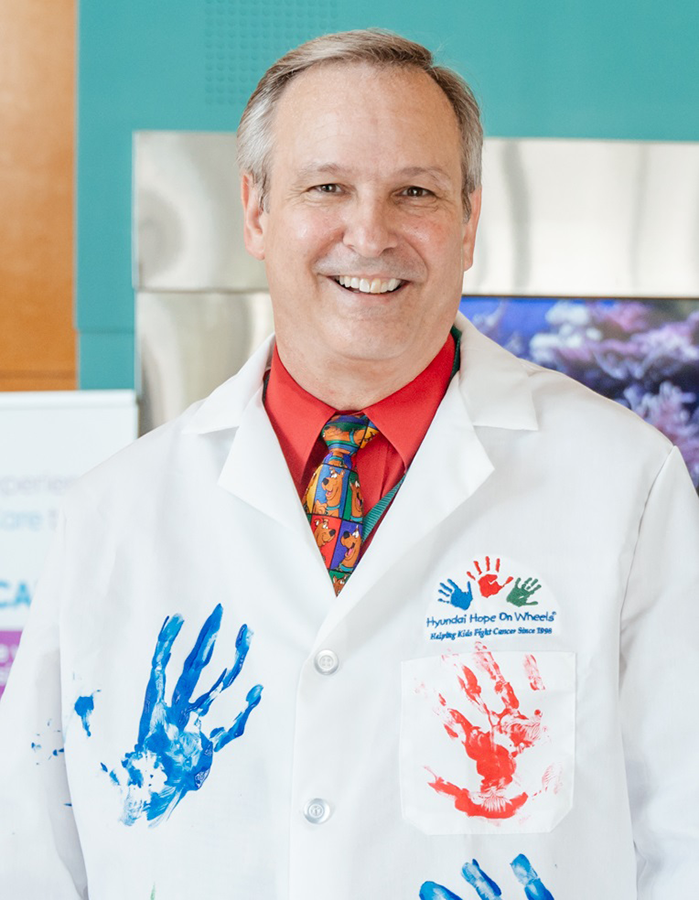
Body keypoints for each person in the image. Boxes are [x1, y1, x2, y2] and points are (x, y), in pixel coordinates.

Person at [0, 28, 697, 900]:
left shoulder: (622, 483)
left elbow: (684, 839)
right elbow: (31, 852)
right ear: (255, 210)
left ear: (470, 220)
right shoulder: (114, 512)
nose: (369, 233)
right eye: (326, 186)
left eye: (416, 192)